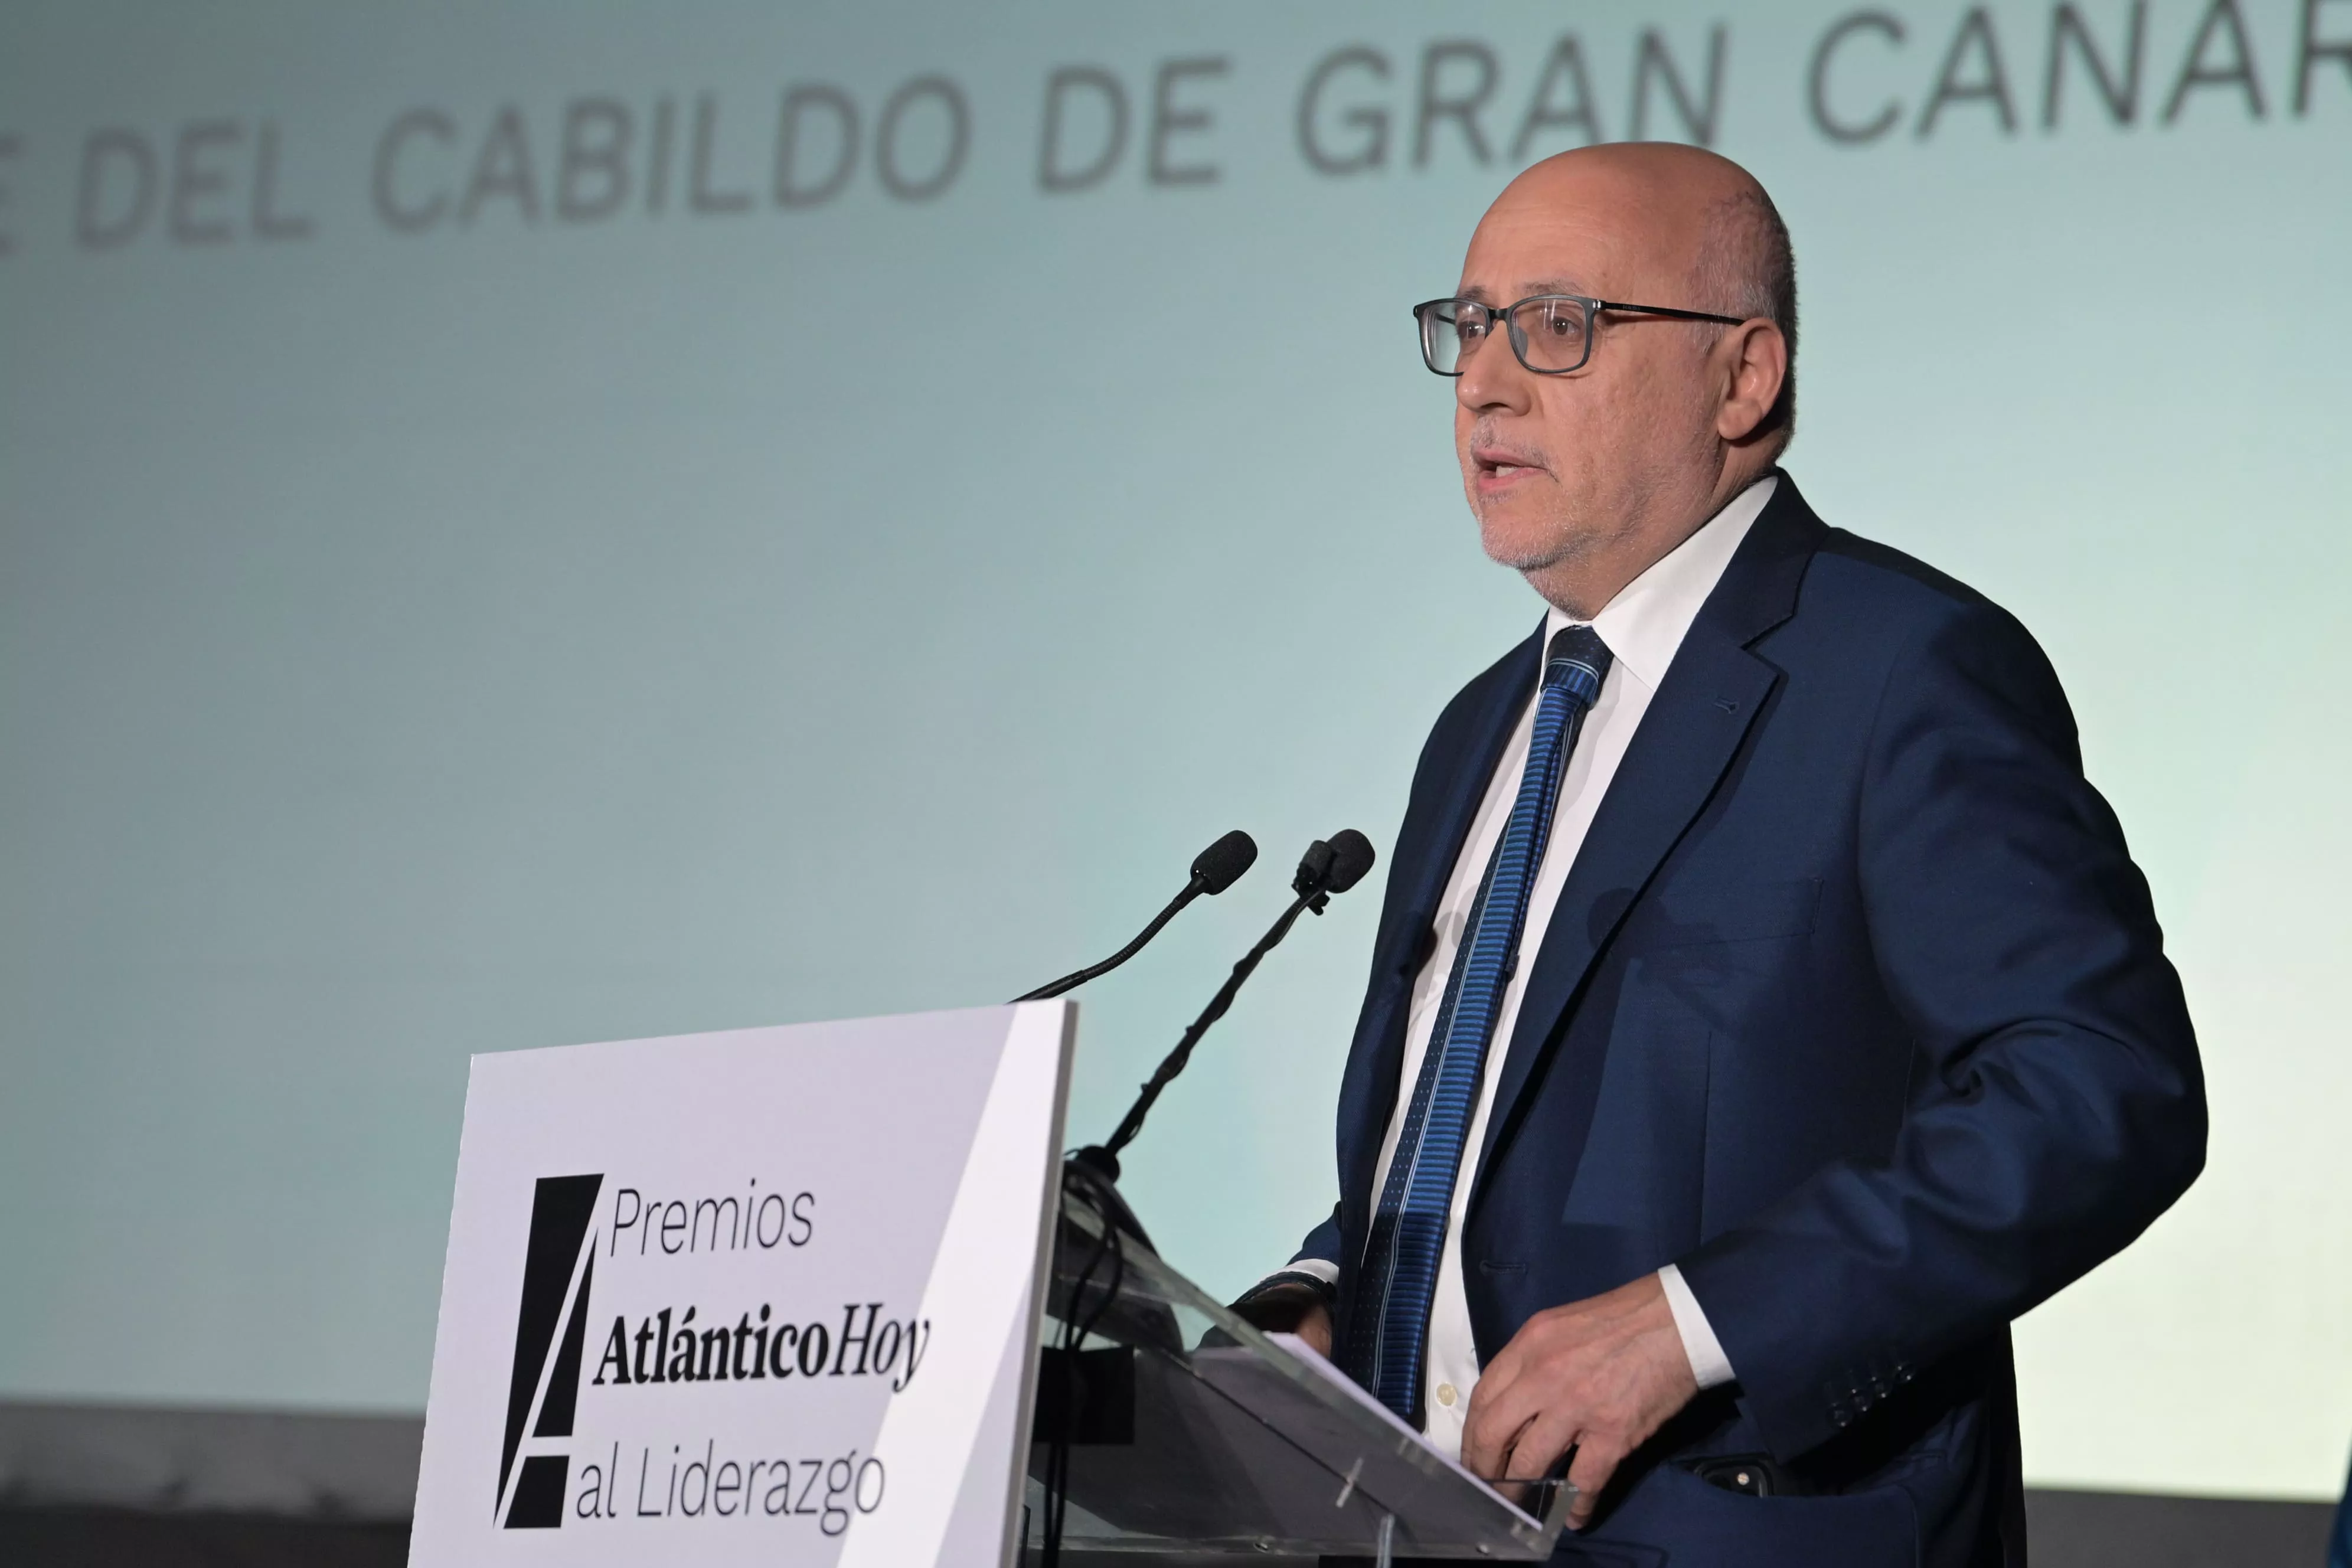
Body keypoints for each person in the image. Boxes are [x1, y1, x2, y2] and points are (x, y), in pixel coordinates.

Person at [1233, 143, 2205, 1567]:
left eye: (1556, 325)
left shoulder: (1897, 669)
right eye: (1468, 325)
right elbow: (1492, 1126)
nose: (1485, 384)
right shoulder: (1479, 729)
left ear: (1743, 378)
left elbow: (2097, 1086)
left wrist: (1698, 1323)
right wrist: (1328, 1292)